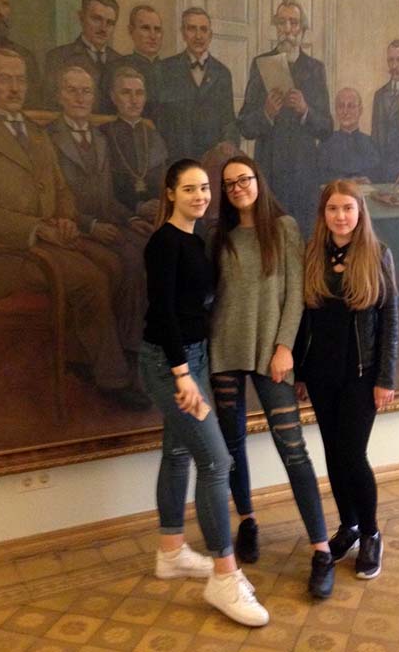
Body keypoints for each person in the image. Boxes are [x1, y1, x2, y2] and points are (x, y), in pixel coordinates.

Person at [0, 48, 142, 410]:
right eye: (5, 79)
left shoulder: (36, 135)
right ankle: (113, 378)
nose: (14, 88)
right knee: (90, 277)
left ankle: (82, 357)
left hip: (46, 241)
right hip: (0, 254)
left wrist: (65, 218)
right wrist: (37, 228)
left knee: (115, 263)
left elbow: (61, 191)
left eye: (20, 79)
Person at [139, 159, 269, 627]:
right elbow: (163, 312)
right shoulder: (163, 243)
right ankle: (224, 576)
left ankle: (171, 551)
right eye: (189, 189)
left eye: (204, 188)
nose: (200, 196)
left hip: (193, 358)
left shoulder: (195, 240)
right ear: (170, 193)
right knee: (216, 462)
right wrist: (182, 375)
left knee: (178, 453)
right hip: (169, 363)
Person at [209, 154, 334, 599]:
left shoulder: (283, 228)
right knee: (232, 446)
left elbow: (296, 295)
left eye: (243, 179)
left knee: (293, 449)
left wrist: (285, 347)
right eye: (229, 184)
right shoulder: (220, 236)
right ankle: (247, 521)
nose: (238, 188)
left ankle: (321, 550)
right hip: (224, 350)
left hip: (271, 353)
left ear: (258, 180)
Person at [294, 179, 398, 580]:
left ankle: (371, 533)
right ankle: (348, 525)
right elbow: (303, 320)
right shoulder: (312, 254)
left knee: (353, 455)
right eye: (333, 209)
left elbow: (390, 320)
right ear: (323, 214)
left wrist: (385, 378)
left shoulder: (378, 254)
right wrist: (301, 372)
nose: (341, 216)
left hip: (362, 375)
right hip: (322, 375)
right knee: (333, 455)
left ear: (360, 212)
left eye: (348, 208)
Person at [47, 65, 155, 408]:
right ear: (59, 95)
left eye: (86, 91)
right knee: (126, 261)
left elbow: (107, 199)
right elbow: (53, 200)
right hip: (72, 228)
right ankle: (118, 364)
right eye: (72, 90)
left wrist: (131, 217)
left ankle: (134, 349)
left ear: (95, 97)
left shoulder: (100, 138)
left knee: (148, 250)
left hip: (105, 222)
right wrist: (91, 225)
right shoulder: (48, 138)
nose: (80, 98)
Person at [238, 0, 332, 236]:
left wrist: (306, 110)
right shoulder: (260, 64)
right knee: (269, 242)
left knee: (303, 241)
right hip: (269, 175)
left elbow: (327, 128)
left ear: (303, 29)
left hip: (304, 178)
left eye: (294, 23)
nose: (288, 29)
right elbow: (244, 125)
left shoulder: (315, 68)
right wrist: (266, 113)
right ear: (276, 27)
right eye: (282, 23)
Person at [157, 7, 239, 161]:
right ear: (183, 33)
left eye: (203, 29)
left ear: (210, 35)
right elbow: (159, 119)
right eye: (192, 29)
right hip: (176, 158)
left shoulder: (222, 73)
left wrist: (229, 141)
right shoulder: (166, 69)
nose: (198, 36)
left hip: (211, 159)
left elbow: (228, 120)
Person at [100, 67, 168, 216]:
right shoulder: (103, 134)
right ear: (113, 97)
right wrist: (138, 207)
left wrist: (160, 203)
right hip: (121, 214)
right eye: (126, 93)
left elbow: (163, 180)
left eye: (139, 93)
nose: (134, 100)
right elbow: (105, 188)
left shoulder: (153, 135)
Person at [44, 0, 120, 111]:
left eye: (110, 23)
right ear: (81, 17)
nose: (103, 28)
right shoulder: (58, 57)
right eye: (96, 19)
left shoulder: (120, 61)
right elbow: (51, 106)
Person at [103, 4, 164, 122]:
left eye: (157, 29)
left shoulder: (172, 70)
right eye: (145, 28)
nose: (153, 36)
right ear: (131, 30)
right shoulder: (114, 68)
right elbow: (105, 114)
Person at [319, 87, 380, 184]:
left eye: (351, 106)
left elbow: (378, 175)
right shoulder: (326, 143)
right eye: (341, 106)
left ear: (360, 110)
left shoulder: (371, 143)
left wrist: (368, 180)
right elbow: (320, 177)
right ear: (336, 110)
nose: (345, 111)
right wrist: (345, 182)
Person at [370, 39, 399, 158]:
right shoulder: (379, 95)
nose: (394, 66)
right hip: (381, 163)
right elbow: (375, 135)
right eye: (391, 60)